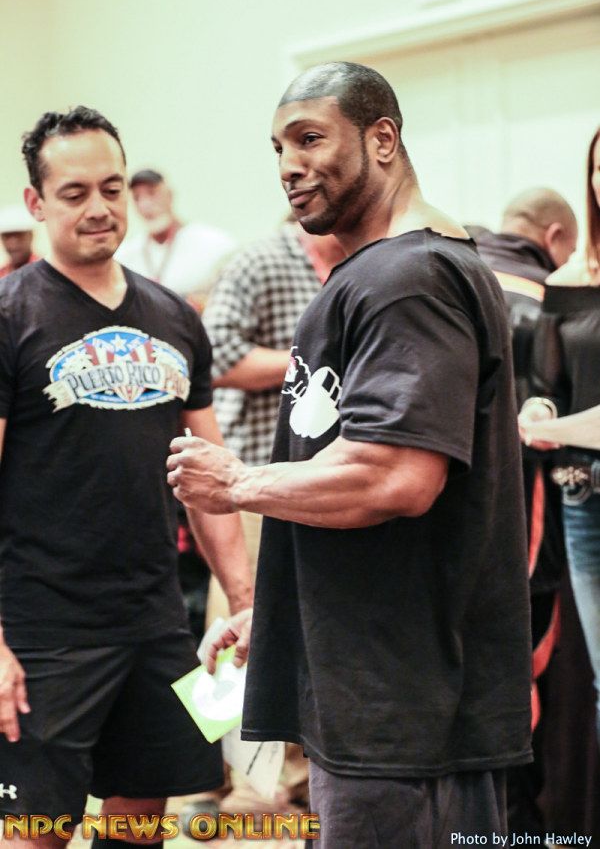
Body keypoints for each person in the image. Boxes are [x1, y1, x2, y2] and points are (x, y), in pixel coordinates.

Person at [167, 62, 533, 847]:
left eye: (310, 139)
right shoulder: (386, 272)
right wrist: (285, 612)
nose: (289, 165)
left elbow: (395, 476)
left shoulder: (410, 278)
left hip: (403, 711)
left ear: (383, 139)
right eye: (278, 148)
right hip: (375, 686)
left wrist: (237, 481)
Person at [0, 106, 252, 844]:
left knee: (143, 824)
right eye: (74, 192)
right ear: (37, 203)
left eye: (111, 188)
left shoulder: (174, 316)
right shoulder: (11, 316)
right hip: (42, 631)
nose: (99, 207)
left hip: (156, 619)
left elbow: (209, 480)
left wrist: (244, 602)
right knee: (35, 830)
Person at [178, 222, 344, 823]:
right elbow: (214, 356)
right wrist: (312, 363)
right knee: (233, 627)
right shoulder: (258, 262)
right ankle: (214, 781)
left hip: (317, 484)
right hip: (247, 477)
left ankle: (288, 781)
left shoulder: (356, 267)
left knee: (295, 631)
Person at [470, 187, 577, 836]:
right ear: (556, 236)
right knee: (523, 674)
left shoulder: (448, 275)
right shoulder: (551, 300)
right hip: (523, 525)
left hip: (434, 523)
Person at [520, 126, 600, 747]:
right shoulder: (569, 280)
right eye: (598, 167)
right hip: (582, 493)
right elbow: (548, 383)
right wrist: (537, 412)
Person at [117, 168, 234, 309]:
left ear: (170, 195)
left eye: (152, 193)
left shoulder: (214, 244)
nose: (145, 204)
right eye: (137, 198)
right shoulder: (125, 257)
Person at [0, 204, 39, 276]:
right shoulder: (2, 275)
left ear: (31, 235)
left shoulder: (47, 272)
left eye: (18, 236)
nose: (13, 244)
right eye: (7, 237)